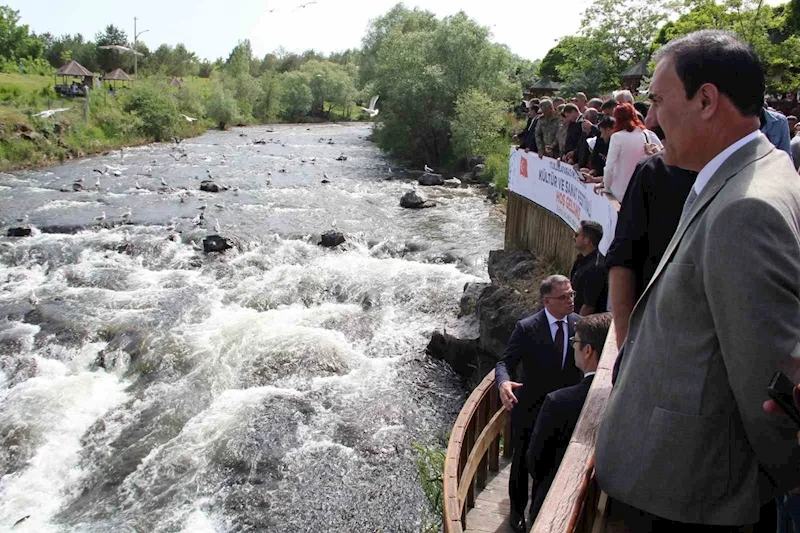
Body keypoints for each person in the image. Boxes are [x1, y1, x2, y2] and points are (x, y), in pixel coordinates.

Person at [595, 30, 800, 532]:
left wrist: (786, 481)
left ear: (706, 100)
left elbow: (769, 388)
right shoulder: (751, 173)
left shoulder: (746, 208)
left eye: (660, 101)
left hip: (691, 497)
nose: (654, 118)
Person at [495, 275, 583, 533]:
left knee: (555, 460)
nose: (571, 300)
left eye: (572, 294)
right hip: (531, 407)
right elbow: (504, 363)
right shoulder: (526, 327)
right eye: (564, 296)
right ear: (547, 301)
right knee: (522, 462)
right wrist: (503, 384)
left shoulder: (579, 325)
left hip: (564, 410)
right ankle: (517, 512)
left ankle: (546, 511)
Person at [605, 111, 696, 349]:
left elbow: (624, 254)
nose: (652, 117)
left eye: (658, 101)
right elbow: (624, 256)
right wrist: (625, 346)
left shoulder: (652, 169)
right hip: (655, 333)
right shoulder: (652, 170)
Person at [526, 312, 612, 524]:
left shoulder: (558, 402)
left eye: (576, 341)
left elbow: (535, 461)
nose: (573, 345)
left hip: (555, 505)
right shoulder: (627, 398)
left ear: (588, 351)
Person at [596, 103, 662, 201]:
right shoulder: (648, 134)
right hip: (644, 189)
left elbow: (609, 166)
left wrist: (606, 186)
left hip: (621, 191)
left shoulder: (617, 137)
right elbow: (662, 154)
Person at [570, 220, 607, 316]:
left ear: (586, 240)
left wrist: (576, 328)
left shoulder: (596, 268)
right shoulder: (580, 260)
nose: (574, 238)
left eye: (577, 235)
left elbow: (588, 306)